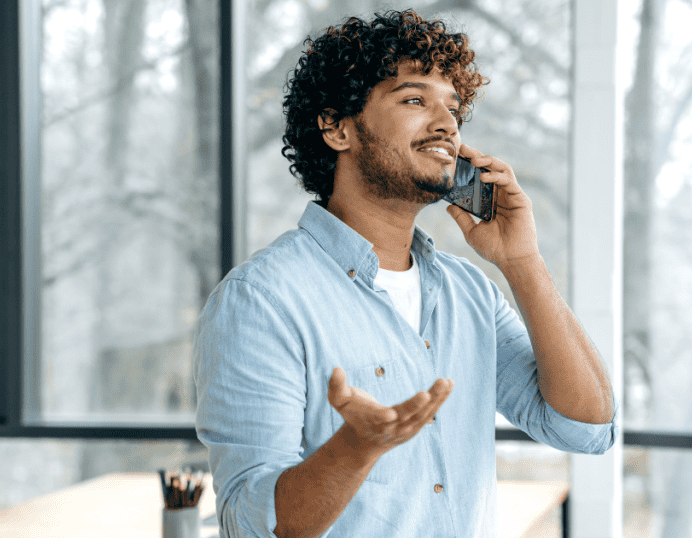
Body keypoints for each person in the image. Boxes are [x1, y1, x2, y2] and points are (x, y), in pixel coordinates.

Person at [192, 9, 616, 538]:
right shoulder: (261, 300)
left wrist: (521, 262)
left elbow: (587, 428)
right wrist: (357, 447)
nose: (447, 125)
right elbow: (247, 524)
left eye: (453, 108)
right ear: (337, 127)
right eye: (415, 100)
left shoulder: (470, 295)